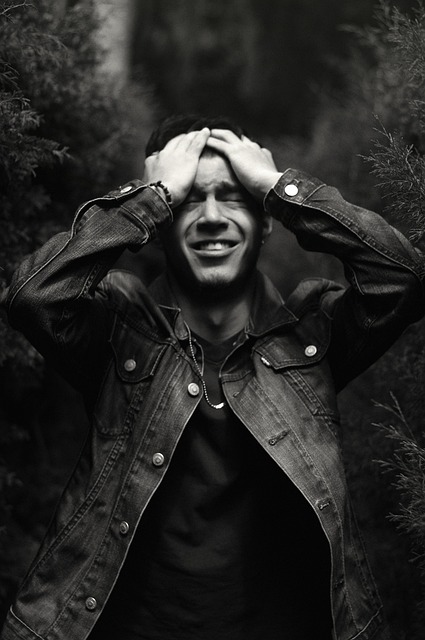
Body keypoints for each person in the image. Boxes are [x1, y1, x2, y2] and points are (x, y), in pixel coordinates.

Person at [1, 114, 423, 640]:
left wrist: (279, 188)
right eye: (188, 200)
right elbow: (33, 297)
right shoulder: (119, 330)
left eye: (235, 197)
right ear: (162, 222)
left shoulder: (312, 334)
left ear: (265, 220)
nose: (212, 217)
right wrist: (148, 197)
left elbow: (402, 280)